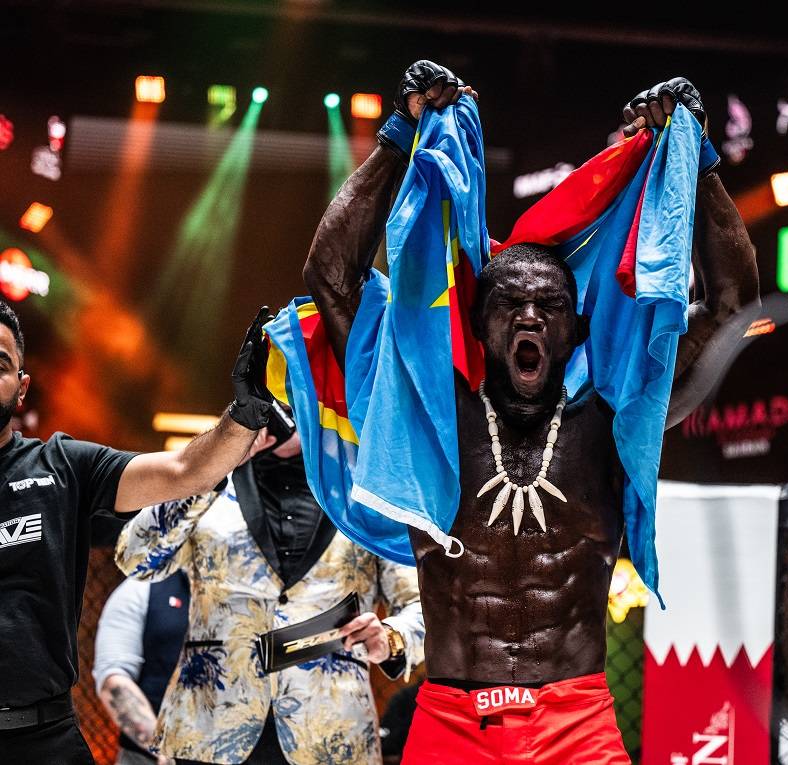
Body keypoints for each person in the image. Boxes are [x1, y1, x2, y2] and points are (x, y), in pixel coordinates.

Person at [302, 60, 759, 764]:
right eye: (509, 303)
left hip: (577, 724)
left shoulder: (615, 424)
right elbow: (332, 276)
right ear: (476, 322)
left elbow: (733, 309)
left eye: (549, 306)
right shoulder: (426, 414)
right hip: (451, 719)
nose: (529, 317)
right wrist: (399, 133)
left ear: (577, 329)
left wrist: (694, 159)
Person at [0, 301, 273, 765]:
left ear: (22, 388)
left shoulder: (62, 466)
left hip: (42, 741)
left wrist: (246, 413)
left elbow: (186, 470)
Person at [115, 410, 425, 765]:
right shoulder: (209, 478)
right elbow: (134, 558)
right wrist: (213, 465)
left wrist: (392, 637)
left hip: (332, 733)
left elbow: (424, 605)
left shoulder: (368, 491)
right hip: (210, 728)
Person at [94, 572, 190, 764]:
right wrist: (161, 750)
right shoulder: (142, 587)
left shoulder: (248, 593)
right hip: (148, 759)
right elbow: (114, 680)